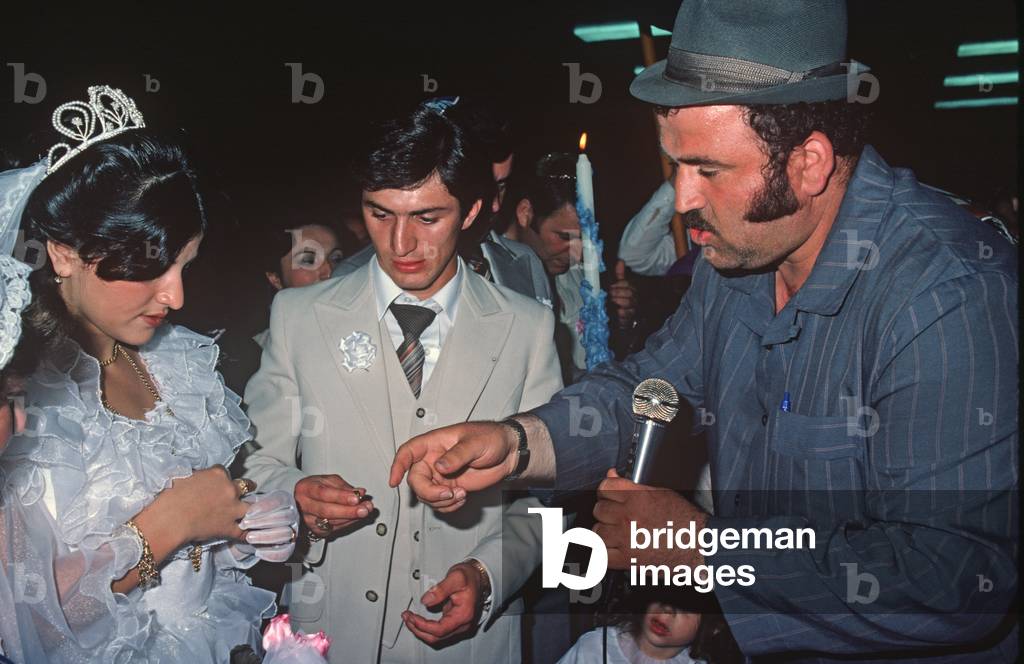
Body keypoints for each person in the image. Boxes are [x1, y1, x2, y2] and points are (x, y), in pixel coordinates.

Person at [389, 1, 1019, 662]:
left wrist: (708, 550)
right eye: (677, 166)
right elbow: (646, 388)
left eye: (708, 171)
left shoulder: (948, 292)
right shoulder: (740, 255)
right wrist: (517, 443)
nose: (683, 199)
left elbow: (955, 577)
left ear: (808, 164)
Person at [242, 100, 562, 663]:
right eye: (380, 213)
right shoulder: (297, 315)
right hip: (330, 635)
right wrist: (292, 493)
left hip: (470, 647)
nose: (400, 244)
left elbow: (549, 496)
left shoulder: (529, 327)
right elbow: (253, 462)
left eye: (426, 217)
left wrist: (489, 573)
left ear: (472, 212)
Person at [1, 85, 300, 662]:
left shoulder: (173, 360)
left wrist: (243, 524)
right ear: (62, 254)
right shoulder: (18, 397)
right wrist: (167, 525)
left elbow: (198, 559)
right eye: (150, 268)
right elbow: (26, 623)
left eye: (185, 265)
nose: (177, 295)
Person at [333, 98, 554, 308]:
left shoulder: (527, 263)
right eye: (484, 187)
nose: (495, 204)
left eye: (502, 185)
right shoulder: (349, 278)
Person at [504, 153, 639, 381]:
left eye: (583, 238)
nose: (576, 253)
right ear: (525, 214)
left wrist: (618, 321)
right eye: (563, 236)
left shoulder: (581, 275)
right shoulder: (491, 275)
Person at [218, 217, 344, 394]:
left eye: (336, 259)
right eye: (308, 260)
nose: (329, 272)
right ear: (275, 278)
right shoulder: (253, 357)